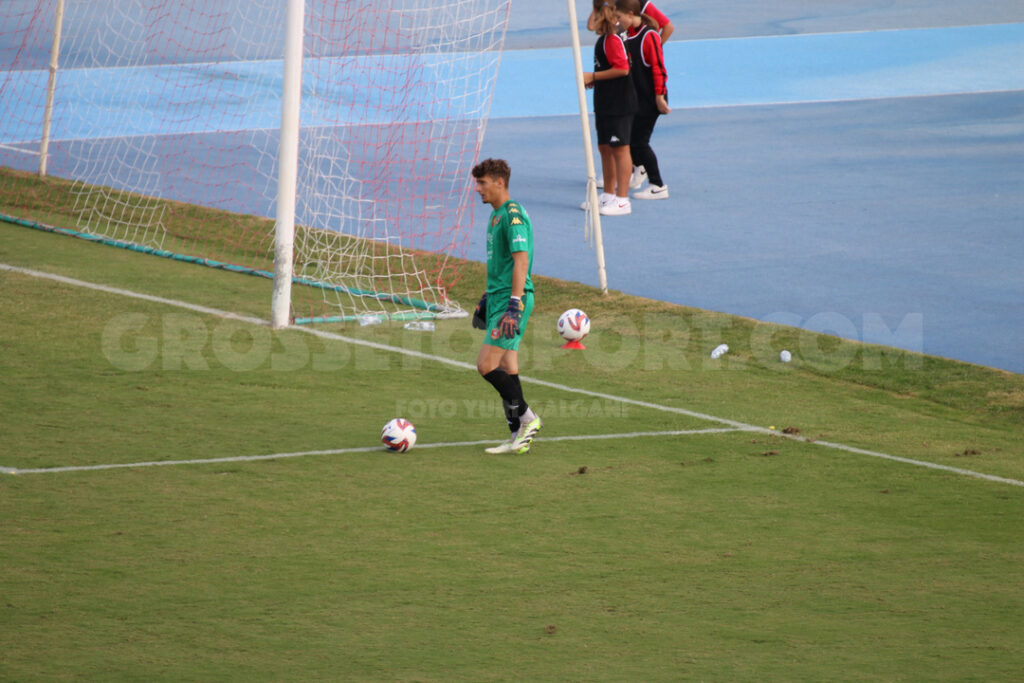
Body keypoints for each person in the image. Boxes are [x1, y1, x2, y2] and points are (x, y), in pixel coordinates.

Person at [470, 158, 543, 455]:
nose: (478, 189)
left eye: (482, 183)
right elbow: (502, 265)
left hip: (512, 301)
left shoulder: (512, 215)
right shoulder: (496, 215)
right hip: (499, 297)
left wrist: (513, 305)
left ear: (500, 182)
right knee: (506, 366)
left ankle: (528, 418)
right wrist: (488, 297)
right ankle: (517, 435)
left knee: (485, 365)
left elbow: (521, 260)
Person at [582, 0, 637, 216]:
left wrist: (593, 76)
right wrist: (596, 79)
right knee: (605, 148)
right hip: (605, 100)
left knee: (620, 149)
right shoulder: (606, 37)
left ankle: (622, 200)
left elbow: (622, 69)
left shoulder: (612, 38)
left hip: (618, 103)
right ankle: (608, 194)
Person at [618, 0, 671, 200]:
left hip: (651, 99)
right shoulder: (628, 35)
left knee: (639, 141)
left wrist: (659, 96)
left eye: (619, 17)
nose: (618, 21)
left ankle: (658, 185)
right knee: (629, 139)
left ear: (631, 14)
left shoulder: (649, 36)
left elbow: (659, 68)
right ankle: (640, 168)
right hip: (637, 98)